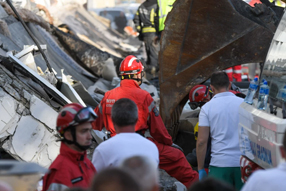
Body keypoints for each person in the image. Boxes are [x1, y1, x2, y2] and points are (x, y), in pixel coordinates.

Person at [93, 55, 198, 188]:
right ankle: (197, 187)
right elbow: (157, 129)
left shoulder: (108, 96)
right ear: (137, 74)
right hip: (139, 141)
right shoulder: (144, 96)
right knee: (177, 157)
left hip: (113, 141)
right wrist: (169, 143)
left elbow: (95, 123)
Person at [196, 71, 244, 190]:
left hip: (219, 165)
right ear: (229, 85)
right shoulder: (244, 104)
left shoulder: (207, 108)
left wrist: (201, 169)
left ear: (211, 88)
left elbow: (202, 141)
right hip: (242, 164)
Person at [92, 98, 159, 171]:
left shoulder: (103, 149)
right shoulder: (151, 147)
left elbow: (94, 178)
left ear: (113, 120)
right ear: (137, 119)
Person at [42, 103, 97, 191]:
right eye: (84, 131)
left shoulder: (86, 162)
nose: (90, 136)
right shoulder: (60, 171)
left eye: (90, 130)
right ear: (68, 135)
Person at [133, 0, 159, 73]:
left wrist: (139, 30)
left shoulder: (141, 6)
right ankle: (153, 69)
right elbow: (157, 19)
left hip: (145, 32)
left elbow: (136, 19)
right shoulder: (156, 5)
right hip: (153, 32)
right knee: (153, 51)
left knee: (148, 50)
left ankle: (150, 68)